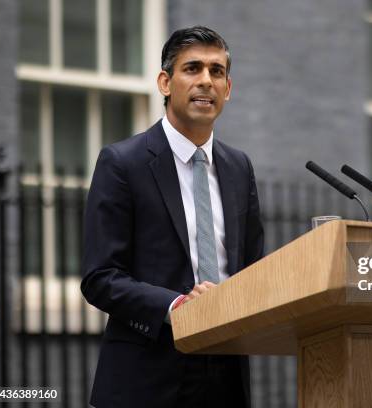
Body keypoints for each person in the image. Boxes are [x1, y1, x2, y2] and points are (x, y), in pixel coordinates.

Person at [81, 26, 264, 408]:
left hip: (227, 377)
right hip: (147, 377)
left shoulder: (239, 167)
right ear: (165, 82)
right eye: (192, 68)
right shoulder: (122, 163)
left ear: (228, 89)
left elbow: (252, 269)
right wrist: (177, 307)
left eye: (216, 72)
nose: (205, 81)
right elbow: (100, 278)